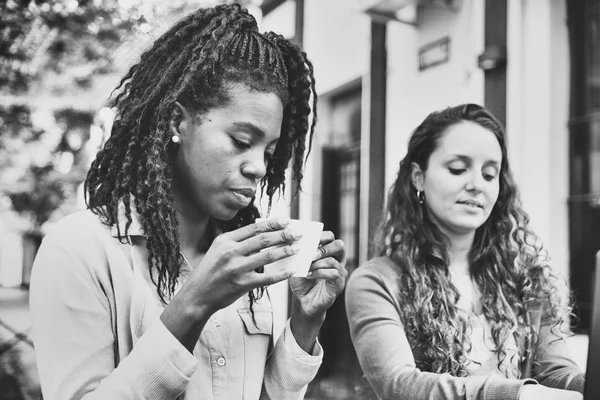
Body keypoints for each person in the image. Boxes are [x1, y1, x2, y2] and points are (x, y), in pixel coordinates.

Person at [29, 4, 347, 400]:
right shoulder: (79, 250)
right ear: (178, 121)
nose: (259, 168)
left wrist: (305, 322)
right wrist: (194, 304)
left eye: (269, 152)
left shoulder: (243, 260)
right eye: (242, 142)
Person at [345, 104, 584, 400]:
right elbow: (399, 385)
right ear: (419, 177)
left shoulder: (526, 277)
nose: (475, 185)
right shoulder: (376, 282)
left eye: (488, 174)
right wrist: (517, 395)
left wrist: (586, 384)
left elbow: (555, 372)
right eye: (458, 169)